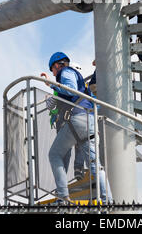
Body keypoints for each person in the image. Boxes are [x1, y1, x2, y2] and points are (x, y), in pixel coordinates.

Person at [41, 51, 112, 204]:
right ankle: (108, 202)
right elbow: (93, 102)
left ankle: (62, 197)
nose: (53, 73)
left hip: (77, 120)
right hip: (89, 120)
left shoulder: (65, 72)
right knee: (95, 166)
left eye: (52, 69)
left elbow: (69, 88)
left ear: (57, 65)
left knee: (54, 154)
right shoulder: (83, 84)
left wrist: (52, 84)